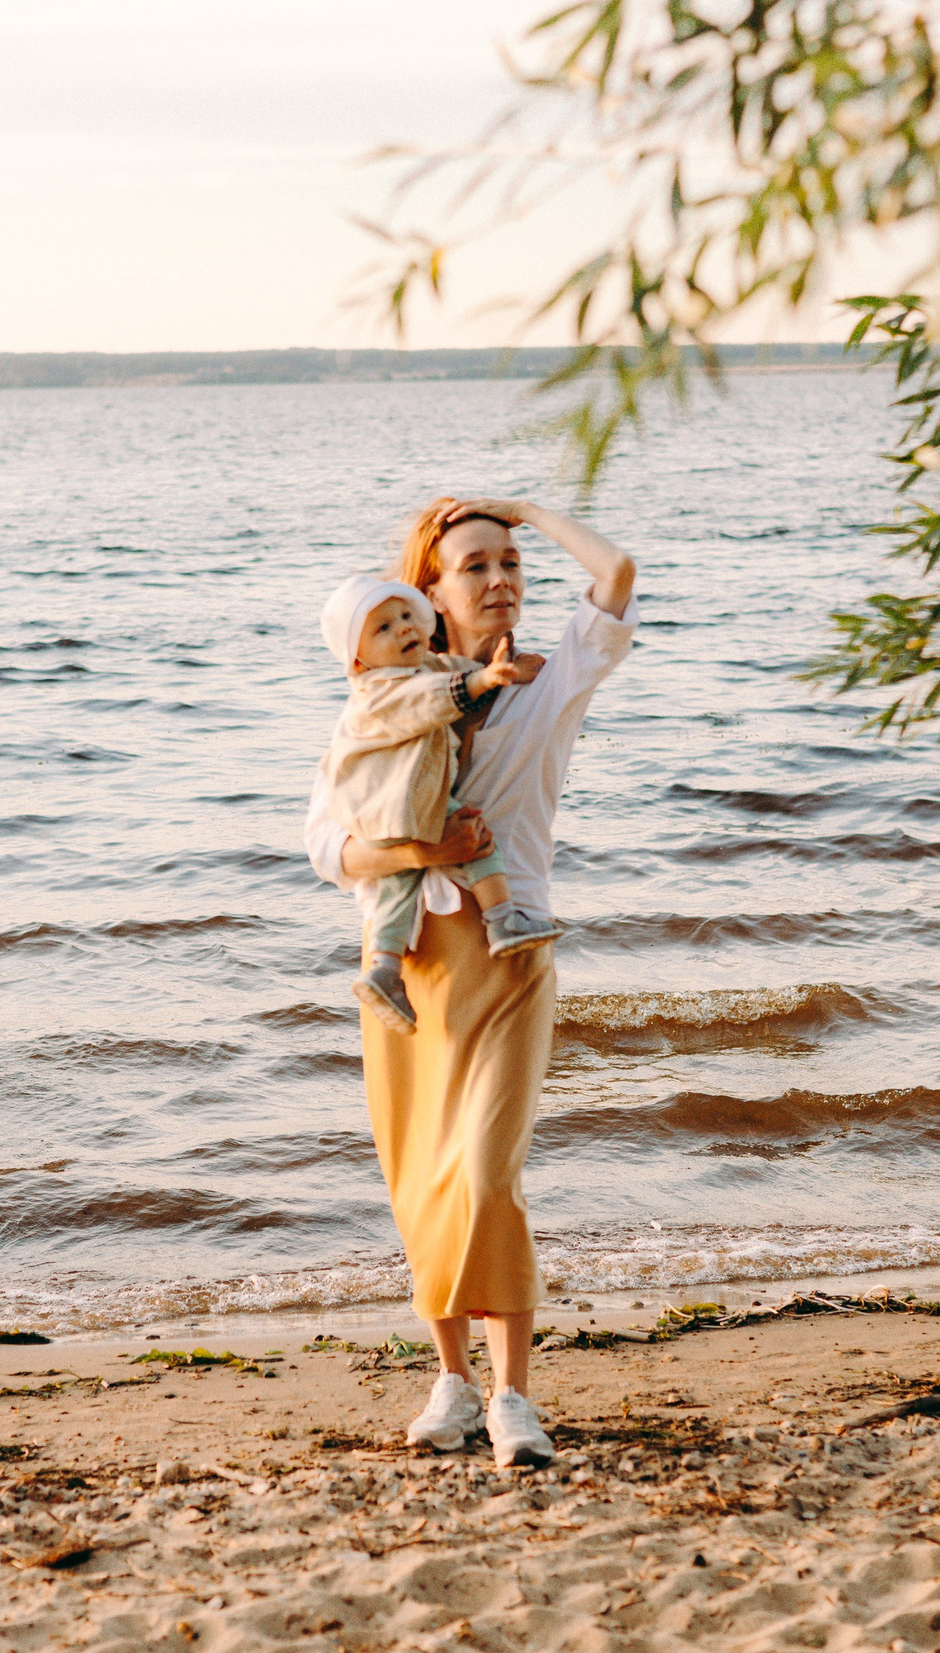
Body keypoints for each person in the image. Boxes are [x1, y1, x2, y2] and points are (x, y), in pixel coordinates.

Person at [304, 497, 638, 1469]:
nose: (499, 581)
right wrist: (423, 850)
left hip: (509, 950)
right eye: (475, 566)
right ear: (431, 593)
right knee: (422, 1178)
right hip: (407, 964)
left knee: (487, 1175)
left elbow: (615, 576)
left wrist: (526, 510)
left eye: (510, 564)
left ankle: (512, 1395)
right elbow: (326, 846)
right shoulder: (382, 697)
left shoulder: (548, 679)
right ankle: (450, 1382)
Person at [315, 573, 563, 1034]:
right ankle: (502, 919)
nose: (404, 628)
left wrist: (504, 669)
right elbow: (430, 698)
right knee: (475, 837)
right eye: (384, 628)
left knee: (398, 888)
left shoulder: (423, 666)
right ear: (359, 660)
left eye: (406, 616)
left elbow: (451, 669)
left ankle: (384, 968)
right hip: (398, 806)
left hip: (387, 816)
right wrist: (483, 679)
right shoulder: (379, 692)